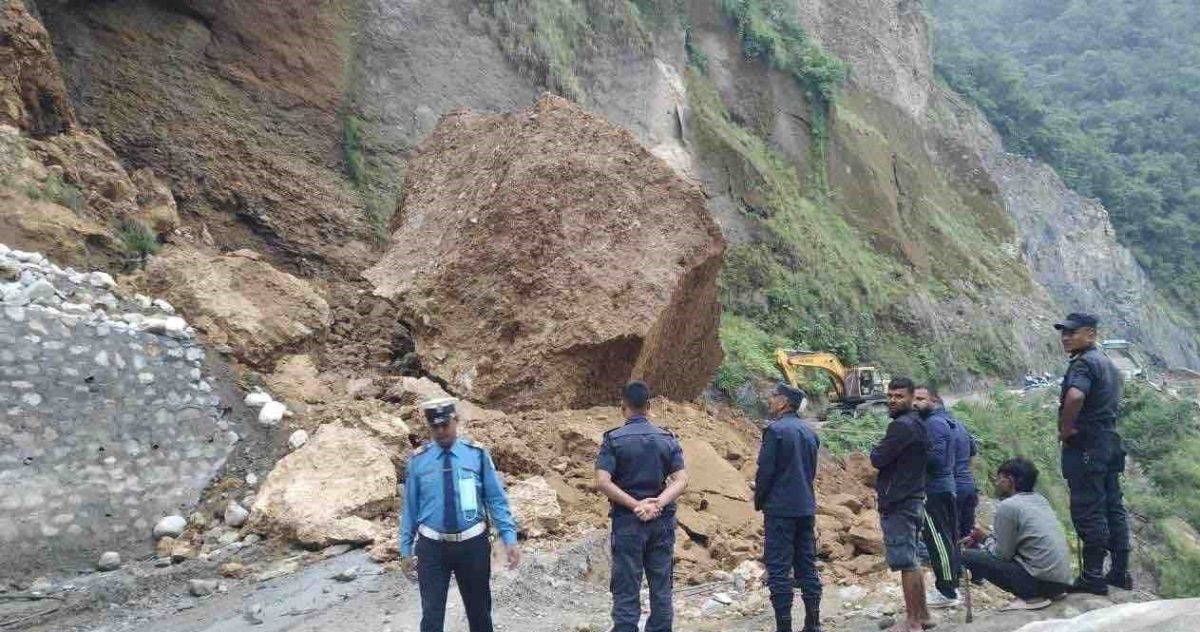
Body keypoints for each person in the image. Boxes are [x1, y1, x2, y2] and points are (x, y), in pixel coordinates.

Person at [399, 398, 521, 632]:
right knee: (432, 617)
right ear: (429, 428)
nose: (441, 431)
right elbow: (410, 509)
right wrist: (405, 550)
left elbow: (496, 499)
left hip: (472, 546)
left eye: (446, 424)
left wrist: (509, 538)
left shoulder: (476, 455)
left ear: (456, 421)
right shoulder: (418, 462)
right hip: (432, 548)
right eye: (435, 427)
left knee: (480, 614)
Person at [595, 381, 689, 632]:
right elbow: (681, 480)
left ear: (622, 406)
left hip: (628, 522)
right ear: (649, 406)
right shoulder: (667, 439)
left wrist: (637, 505)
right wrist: (658, 502)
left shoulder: (613, 440)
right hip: (661, 523)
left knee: (626, 585)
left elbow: (602, 482)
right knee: (661, 586)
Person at [1055, 313, 1130, 594]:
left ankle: (1092, 575)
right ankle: (1120, 571)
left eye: (1072, 332)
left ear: (1090, 334)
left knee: (1089, 507)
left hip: (1087, 444)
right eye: (1063, 332)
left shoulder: (1084, 363)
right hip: (1109, 441)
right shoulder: (1107, 363)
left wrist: (1066, 428)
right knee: (1113, 506)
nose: (1065, 337)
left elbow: (1075, 396)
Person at [961, 458, 1074, 609]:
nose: (996, 483)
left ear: (1010, 480)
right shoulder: (1041, 500)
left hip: (1038, 583)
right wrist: (986, 537)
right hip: (1061, 583)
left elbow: (1002, 554)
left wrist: (984, 539)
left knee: (966, 555)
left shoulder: (1008, 506)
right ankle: (1049, 593)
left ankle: (1030, 597)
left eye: (999, 478)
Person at [755, 382, 823, 632]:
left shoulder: (775, 431)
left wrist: (759, 500)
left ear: (784, 402)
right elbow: (811, 472)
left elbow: (766, 472)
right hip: (805, 507)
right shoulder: (809, 432)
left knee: (779, 568)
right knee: (807, 565)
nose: (770, 401)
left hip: (780, 510)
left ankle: (784, 626)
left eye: (773, 397)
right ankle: (813, 624)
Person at [870, 377, 933, 632]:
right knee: (913, 558)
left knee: (906, 561)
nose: (893, 400)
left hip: (899, 500)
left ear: (910, 397)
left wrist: (877, 450)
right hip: (914, 497)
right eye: (890, 395)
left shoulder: (901, 427)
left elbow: (877, 458)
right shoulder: (918, 424)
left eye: (899, 396)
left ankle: (912, 621)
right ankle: (924, 615)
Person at [912, 386, 960, 608]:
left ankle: (947, 591)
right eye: (914, 398)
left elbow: (935, 459)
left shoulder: (934, 424)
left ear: (934, 400)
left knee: (938, 540)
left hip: (934, 490)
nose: (915, 403)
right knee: (947, 538)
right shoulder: (944, 421)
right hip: (944, 486)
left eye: (921, 399)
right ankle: (952, 585)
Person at [948, 410, 979, 542]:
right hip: (968, 485)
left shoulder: (934, 429)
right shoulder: (961, 427)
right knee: (967, 533)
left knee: (949, 533)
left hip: (951, 487)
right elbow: (973, 454)